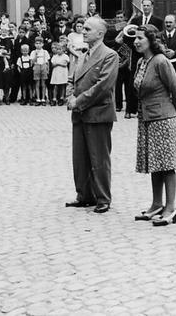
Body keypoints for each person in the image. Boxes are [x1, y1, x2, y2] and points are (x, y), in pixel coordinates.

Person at [66, 17, 119, 214]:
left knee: (99, 158)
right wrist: (70, 95)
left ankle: (103, 197)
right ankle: (84, 194)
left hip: (98, 113)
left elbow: (103, 86)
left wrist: (78, 101)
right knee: (80, 158)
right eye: (84, 28)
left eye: (88, 29)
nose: (84, 31)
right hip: (79, 114)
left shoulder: (109, 55)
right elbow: (71, 79)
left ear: (100, 33)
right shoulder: (82, 55)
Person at [131, 25, 176, 226]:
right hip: (146, 117)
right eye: (135, 38)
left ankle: (171, 208)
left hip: (163, 118)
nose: (136, 41)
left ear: (151, 40)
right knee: (154, 163)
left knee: (166, 164)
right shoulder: (142, 61)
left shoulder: (161, 61)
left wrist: (174, 112)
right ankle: (156, 204)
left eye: (140, 38)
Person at [31, 36, 50, 106]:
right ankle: (38, 98)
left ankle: (43, 98)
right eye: (36, 43)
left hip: (43, 66)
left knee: (43, 84)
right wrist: (36, 56)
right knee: (37, 83)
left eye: (39, 43)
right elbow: (32, 62)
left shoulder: (45, 52)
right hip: (36, 66)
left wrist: (47, 69)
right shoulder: (33, 52)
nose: (38, 45)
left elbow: (47, 62)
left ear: (42, 44)